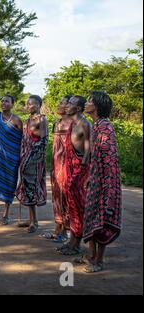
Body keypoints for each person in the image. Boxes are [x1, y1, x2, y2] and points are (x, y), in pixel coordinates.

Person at [78, 91, 122, 273]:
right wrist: (91, 176)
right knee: (92, 215)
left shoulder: (105, 127)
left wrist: (106, 184)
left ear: (96, 106)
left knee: (102, 218)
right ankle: (91, 255)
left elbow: (110, 158)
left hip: (106, 181)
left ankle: (99, 260)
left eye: (89, 101)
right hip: (97, 178)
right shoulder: (97, 126)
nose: (86, 103)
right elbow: (97, 157)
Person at [58, 96, 91, 255]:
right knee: (71, 204)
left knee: (79, 205)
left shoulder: (85, 124)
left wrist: (82, 170)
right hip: (70, 168)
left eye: (71, 104)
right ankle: (72, 240)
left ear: (78, 108)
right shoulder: (72, 124)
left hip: (80, 170)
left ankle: (77, 242)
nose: (67, 106)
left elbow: (89, 149)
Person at [0, 95, 23, 225]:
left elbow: (21, 141)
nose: (3, 103)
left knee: (9, 184)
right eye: (2, 101)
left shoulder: (17, 121)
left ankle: (6, 215)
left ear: (13, 104)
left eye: (7, 101)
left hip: (11, 159)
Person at [15, 95, 48, 233]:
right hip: (25, 157)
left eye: (33, 104)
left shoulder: (42, 119)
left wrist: (31, 157)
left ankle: (35, 222)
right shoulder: (27, 120)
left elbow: (43, 141)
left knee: (32, 187)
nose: (29, 106)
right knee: (26, 187)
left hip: (34, 159)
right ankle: (30, 219)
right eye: (28, 104)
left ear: (39, 105)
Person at [47, 95, 72, 242]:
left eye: (62, 102)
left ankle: (67, 230)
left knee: (67, 198)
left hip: (68, 167)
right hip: (56, 166)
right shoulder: (57, 123)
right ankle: (58, 228)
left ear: (69, 106)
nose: (59, 105)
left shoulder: (75, 124)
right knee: (57, 197)